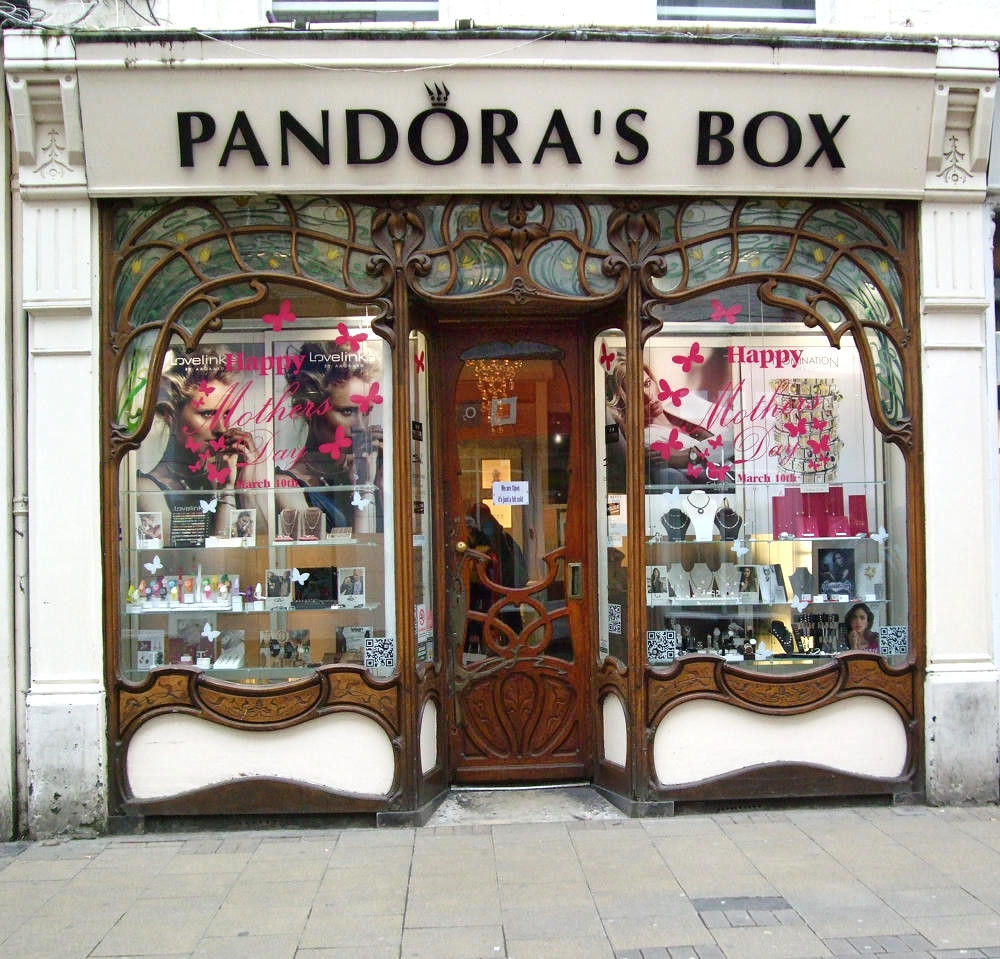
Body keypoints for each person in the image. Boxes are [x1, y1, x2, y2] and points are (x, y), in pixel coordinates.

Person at [137, 347, 264, 540]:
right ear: (170, 414)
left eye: (226, 414)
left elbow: (264, 551)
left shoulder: (224, 476)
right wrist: (227, 492)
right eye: (207, 413)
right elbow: (215, 563)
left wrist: (245, 489)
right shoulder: (145, 490)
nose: (221, 428)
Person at [275, 341, 383, 536]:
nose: (360, 426)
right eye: (347, 411)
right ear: (309, 410)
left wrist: (381, 483)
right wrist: (363, 488)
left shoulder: (364, 472)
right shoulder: (287, 487)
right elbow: (354, 559)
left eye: (367, 411)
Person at [605, 357, 716, 489]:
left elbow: (736, 435)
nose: (649, 396)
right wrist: (694, 455)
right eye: (636, 394)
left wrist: (692, 453)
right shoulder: (649, 439)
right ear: (624, 404)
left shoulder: (682, 402)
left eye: (647, 384)